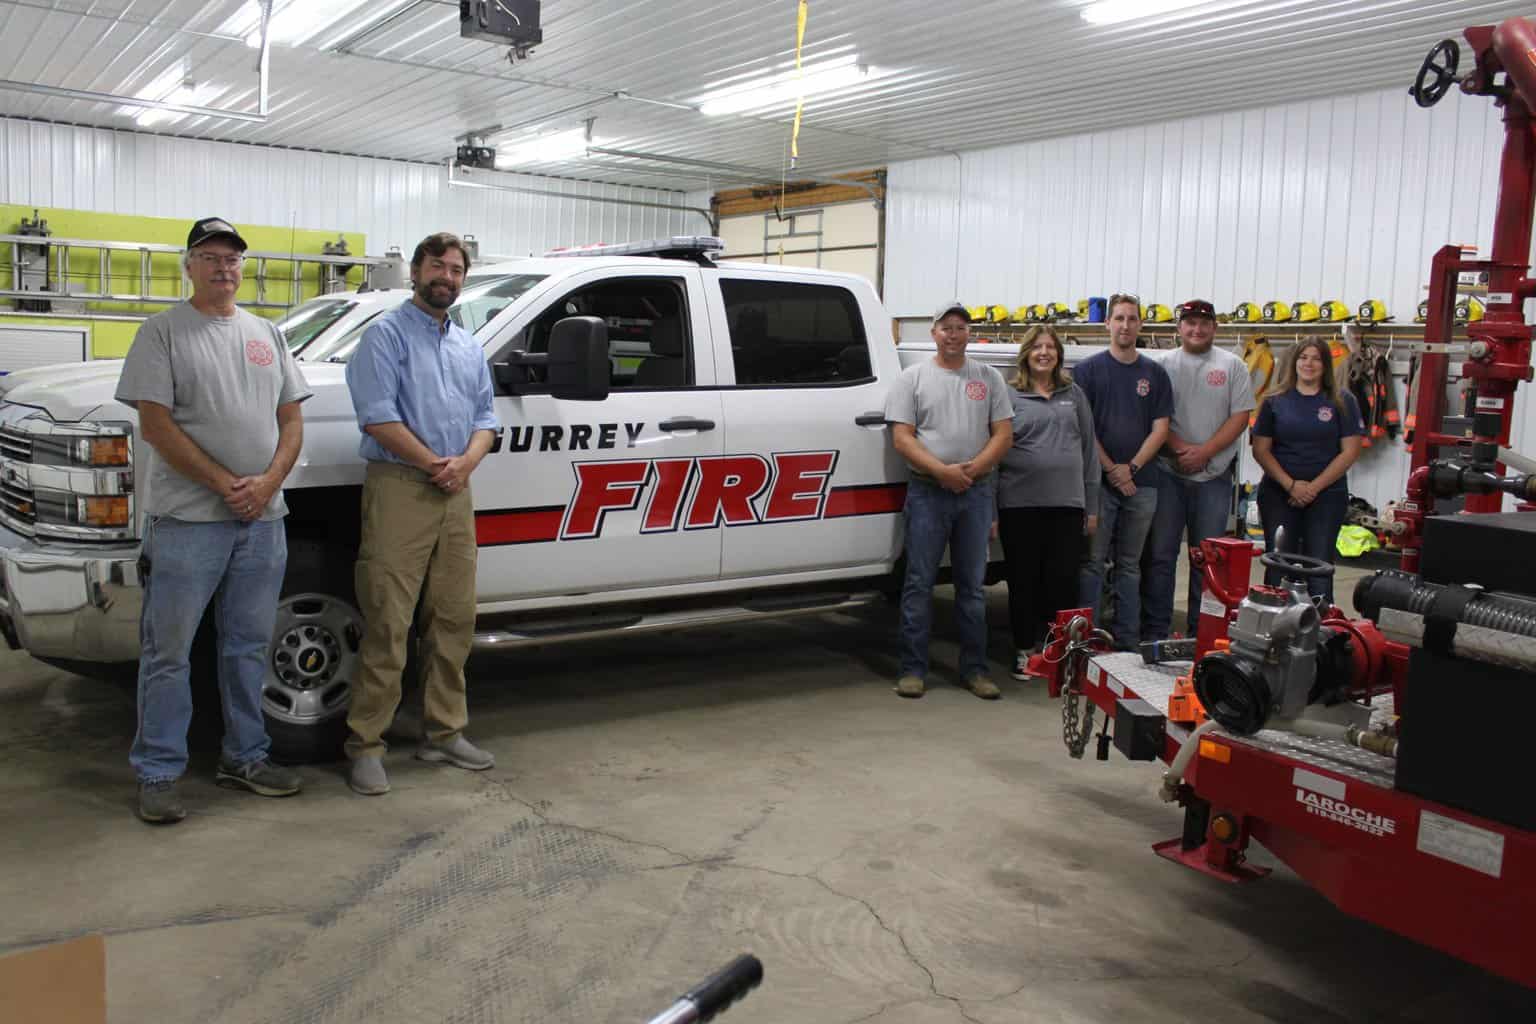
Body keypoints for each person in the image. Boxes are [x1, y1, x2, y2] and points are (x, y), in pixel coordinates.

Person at [115, 217, 311, 824]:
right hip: (187, 522)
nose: (224, 267)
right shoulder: (162, 333)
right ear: (190, 265)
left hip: (263, 520)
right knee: (167, 652)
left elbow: (292, 421)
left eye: (232, 258)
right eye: (211, 256)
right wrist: (225, 484)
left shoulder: (266, 334)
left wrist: (267, 484)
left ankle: (245, 756)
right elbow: (156, 425)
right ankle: (158, 771)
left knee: (248, 646)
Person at [343, 232, 499, 796]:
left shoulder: (468, 346)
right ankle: (365, 745)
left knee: (454, 619)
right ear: (414, 271)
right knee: (389, 620)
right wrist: (438, 464)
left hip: (455, 492)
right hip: (402, 487)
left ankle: (443, 732)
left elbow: (487, 418)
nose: (448, 277)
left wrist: (463, 467)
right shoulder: (385, 337)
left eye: (457, 269)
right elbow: (377, 418)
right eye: (438, 266)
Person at [885, 301, 1013, 700]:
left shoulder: (989, 378)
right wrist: (942, 472)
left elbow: (1003, 434)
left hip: (975, 493)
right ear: (933, 333)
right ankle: (912, 669)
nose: (953, 334)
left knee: (972, 587)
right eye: (946, 327)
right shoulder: (912, 379)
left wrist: (971, 472)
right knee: (919, 582)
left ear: (968, 333)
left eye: (960, 327)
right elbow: (902, 437)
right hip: (927, 491)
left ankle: (975, 670)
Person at [1141, 299, 1255, 641]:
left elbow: (1240, 417)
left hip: (1214, 477)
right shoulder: (1161, 364)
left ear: (1214, 328)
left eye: (1204, 323)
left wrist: (1205, 452)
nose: (1197, 329)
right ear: (1179, 328)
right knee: (1161, 556)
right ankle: (1156, 631)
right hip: (1168, 474)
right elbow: (1155, 416)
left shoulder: (1232, 365)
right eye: (1190, 323)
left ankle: (1200, 633)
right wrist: (1180, 450)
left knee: (1208, 561)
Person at [996, 326, 1098, 680]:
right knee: (1023, 583)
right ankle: (1026, 652)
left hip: (1067, 505)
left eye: (1050, 347)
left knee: (1063, 583)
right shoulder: (1008, 395)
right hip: (1018, 505)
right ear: (1026, 353)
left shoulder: (1075, 394)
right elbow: (994, 452)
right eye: (1037, 347)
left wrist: (1093, 506)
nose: (1044, 352)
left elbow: (1089, 453)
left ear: (1058, 354)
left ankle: (1063, 657)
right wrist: (992, 509)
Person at [1072, 295, 1172, 650]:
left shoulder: (1155, 374)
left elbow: (1161, 428)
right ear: (1107, 324)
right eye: (1119, 318)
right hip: (1098, 484)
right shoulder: (1088, 372)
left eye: (1132, 319)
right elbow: (1085, 429)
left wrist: (1130, 469)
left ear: (1141, 325)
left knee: (1130, 565)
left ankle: (1128, 641)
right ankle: (1086, 640)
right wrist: (1111, 469)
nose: (1125, 325)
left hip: (1142, 485)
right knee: (1092, 563)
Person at [1249, 337, 1365, 604]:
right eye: (1303, 357)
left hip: (1327, 496)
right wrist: (1291, 485)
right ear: (1294, 362)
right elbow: (1261, 450)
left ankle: (1320, 629)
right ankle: (1273, 623)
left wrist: (1312, 488)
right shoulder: (1274, 401)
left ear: (1325, 364)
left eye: (1316, 358)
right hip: (1279, 494)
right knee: (1278, 562)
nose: (1309, 364)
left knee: (1319, 563)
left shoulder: (1342, 400)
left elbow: (1350, 451)